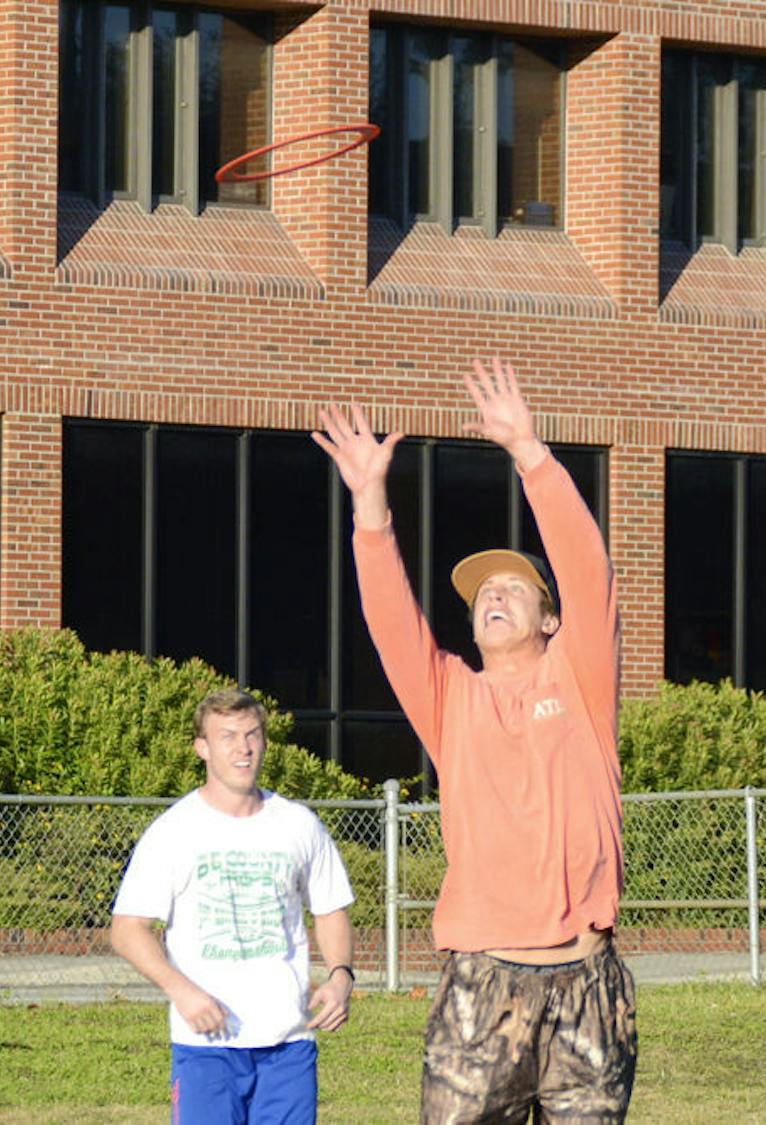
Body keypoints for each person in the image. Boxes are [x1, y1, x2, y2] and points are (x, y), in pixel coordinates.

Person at [312, 358, 637, 1122]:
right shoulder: (451, 694)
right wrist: (368, 506)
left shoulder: (581, 679)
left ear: (549, 619)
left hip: (588, 988)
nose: (492, 594)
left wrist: (531, 454)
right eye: (482, 592)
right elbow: (393, 622)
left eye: (513, 587)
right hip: (483, 987)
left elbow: (591, 576)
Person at [110, 688, 356, 1124]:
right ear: (202, 748)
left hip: (289, 1045)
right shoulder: (174, 831)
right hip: (206, 1047)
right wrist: (180, 991)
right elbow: (128, 929)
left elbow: (331, 908)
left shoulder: (299, 825)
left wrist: (341, 976)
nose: (243, 748)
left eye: (252, 735)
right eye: (227, 736)